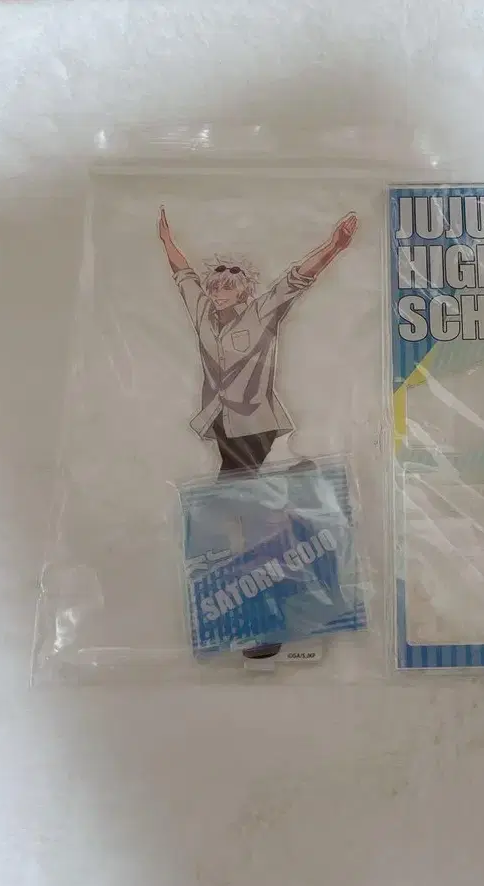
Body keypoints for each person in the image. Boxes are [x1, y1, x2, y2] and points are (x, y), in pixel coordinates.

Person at [160, 207, 358, 659]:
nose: (220, 290)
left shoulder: (260, 313)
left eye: (230, 285)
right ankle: (295, 495)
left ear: (245, 290)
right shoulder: (203, 314)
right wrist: (166, 241)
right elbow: (183, 276)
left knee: (234, 507)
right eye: (215, 285)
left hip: (255, 425)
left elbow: (295, 280)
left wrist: (334, 246)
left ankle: (270, 619)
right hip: (222, 426)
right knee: (236, 508)